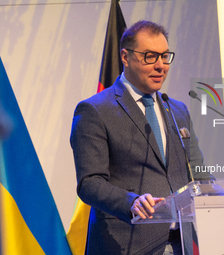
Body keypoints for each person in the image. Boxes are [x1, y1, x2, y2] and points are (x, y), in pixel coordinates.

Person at [70, 20, 212, 255]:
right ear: (125, 57)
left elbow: (199, 175)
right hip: (126, 245)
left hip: (181, 245)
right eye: (150, 56)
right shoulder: (95, 110)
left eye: (165, 56)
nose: (160, 66)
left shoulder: (177, 111)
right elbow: (89, 183)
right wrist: (131, 202)